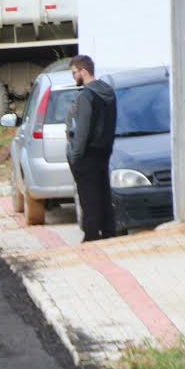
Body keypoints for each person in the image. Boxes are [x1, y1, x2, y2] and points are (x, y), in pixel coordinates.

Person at [66, 54, 117, 242]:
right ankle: (109, 232)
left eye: (74, 73)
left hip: (87, 154)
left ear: (84, 71)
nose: (74, 78)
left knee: (88, 197)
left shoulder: (86, 96)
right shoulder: (108, 92)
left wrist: (76, 155)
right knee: (103, 194)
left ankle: (91, 236)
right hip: (104, 151)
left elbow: (83, 130)